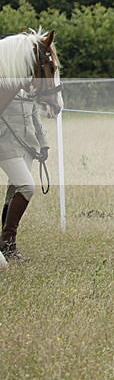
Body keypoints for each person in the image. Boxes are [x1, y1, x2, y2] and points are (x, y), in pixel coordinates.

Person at [0, 90, 49, 262]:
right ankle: (6, 240)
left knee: (13, 192)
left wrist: (44, 144)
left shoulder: (30, 89)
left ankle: (8, 246)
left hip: (27, 145)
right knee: (27, 187)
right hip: (6, 146)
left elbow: (35, 117)